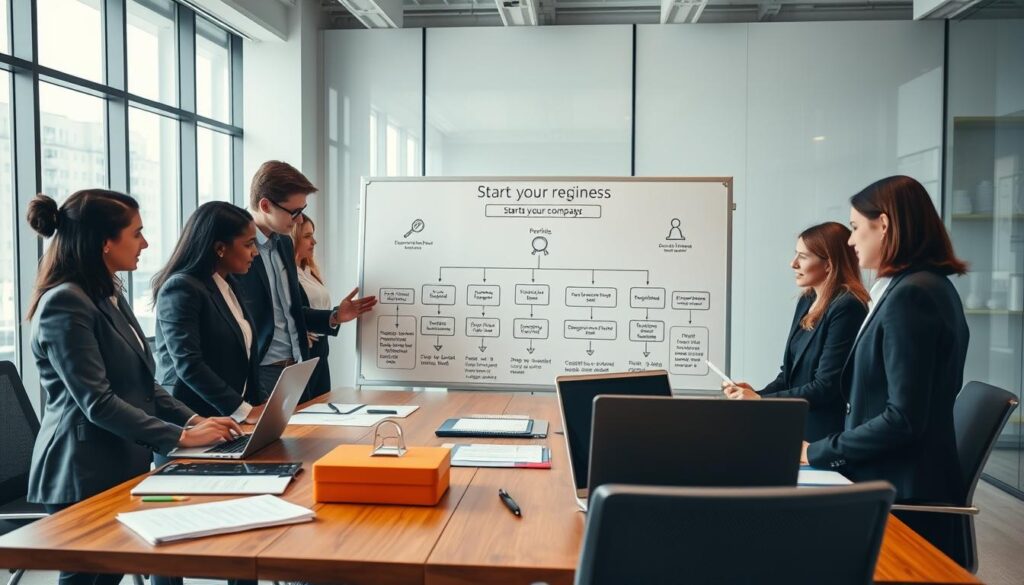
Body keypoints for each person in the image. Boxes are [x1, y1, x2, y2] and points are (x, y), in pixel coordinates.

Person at [24, 190, 241, 585]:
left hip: (118, 459)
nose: (146, 244)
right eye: (136, 234)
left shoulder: (107, 293)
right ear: (106, 242)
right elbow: (98, 403)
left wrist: (196, 420)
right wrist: (180, 437)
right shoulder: (65, 303)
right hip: (81, 469)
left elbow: (145, 383)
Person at [804, 175, 969, 561]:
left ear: (885, 224)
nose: (850, 240)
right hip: (892, 480)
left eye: (856, 227)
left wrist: (818, 452)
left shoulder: (913, 295)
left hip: (902, 498)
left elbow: (903, 418)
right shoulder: (915, 287)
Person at [233, 161, 376, 401]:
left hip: (297, 370)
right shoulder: (236, 248)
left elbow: (290, 312)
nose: (299, 220)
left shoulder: (284, 244)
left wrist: (334, 316)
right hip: (260, 371)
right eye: (294, 212)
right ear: (265, 205)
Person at [722, 222, 868, 441]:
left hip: (824, 437)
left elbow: (826, 386)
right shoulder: (807, 300)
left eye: (803, 256)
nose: (793, 263)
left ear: (829, 264)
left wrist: (760, 402)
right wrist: (756, 395)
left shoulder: (847, 306)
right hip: (798, 431)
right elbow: (788, 376)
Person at [153, 202, 265, 423]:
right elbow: (189, 365)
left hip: (230, 420)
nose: (255, 252)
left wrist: (260, 407)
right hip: (192, 421)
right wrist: (243, 410)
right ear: (220, 248)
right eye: (249, 244)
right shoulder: (182, 288)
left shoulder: (228, 283)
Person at [291, 214, 333, 398]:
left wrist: (337, 315)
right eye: (307, 236)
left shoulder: (309, 272)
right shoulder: (288, 275)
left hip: (321, 351)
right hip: (304, 354)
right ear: (294, 238)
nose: (314, 242)